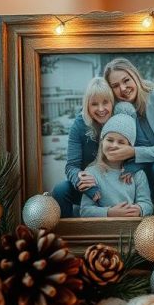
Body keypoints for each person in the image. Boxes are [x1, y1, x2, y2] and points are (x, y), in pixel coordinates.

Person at [103, 57, 154, 204]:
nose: (123, 88)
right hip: (136, 166)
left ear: (135, 76)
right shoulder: (116, 108)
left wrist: (134, 152)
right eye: (115, 86)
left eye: (126, 80)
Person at [51, 76, 114, 217]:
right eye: (94, 104)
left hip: (117, 184)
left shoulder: (120, 121)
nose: (101, 109)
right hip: (91, 188)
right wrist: (82, 179)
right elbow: (71, 166)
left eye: (105, 102)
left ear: (112, 103)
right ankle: (69, 235)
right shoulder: (79, 125)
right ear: (87, 105)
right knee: (60, 190)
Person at [80, 104, 153, 218]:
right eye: (110, 140)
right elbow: (85, 211)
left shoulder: (137, 174)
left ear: (130, 147)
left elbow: (147, 204)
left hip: (131, 230)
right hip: (103, 231)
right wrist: (109, 213)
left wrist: (139, 209)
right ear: (102, 141)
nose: (114, 145)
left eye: (121, 142)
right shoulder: (92, 173)